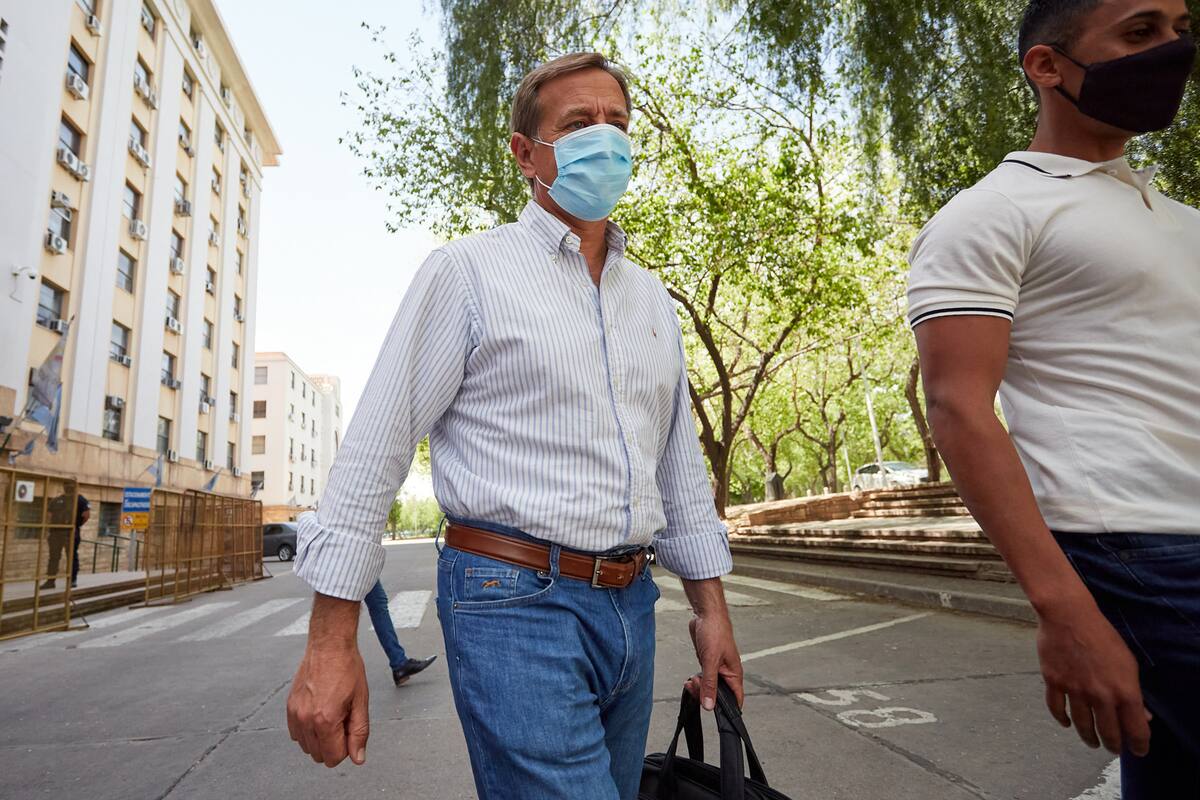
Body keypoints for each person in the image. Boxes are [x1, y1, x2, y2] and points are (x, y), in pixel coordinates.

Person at [284, 52, 742, 800]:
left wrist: (710, 609)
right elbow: (376, 448)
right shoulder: (466, 274)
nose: (606, 138)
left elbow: (678, 470)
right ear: (526, 155)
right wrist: (331, 642)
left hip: (632, 604)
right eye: (578, 123)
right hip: (514, 600)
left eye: (617, 123)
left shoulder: (652, 299)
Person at [907, 0, 1199, 795]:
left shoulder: (1178, 218)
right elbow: (959, 408)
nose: (1172, 50)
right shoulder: (993, 213)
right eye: (1140, 33)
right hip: (1139, 547)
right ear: (1046, 67)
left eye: (1179, 30)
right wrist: (1064, 610)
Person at [362, 579, 437, 686]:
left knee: (377, 602)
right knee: (349, 613)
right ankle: (398, 663)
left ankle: (399, 663)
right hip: (347, 567)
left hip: (360, 567)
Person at [41, 480, 89, 590]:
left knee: (71, 557)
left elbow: (86, 515)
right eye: (67, 485)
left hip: (70, 533)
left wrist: (75, 526)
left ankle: (72, 580)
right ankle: (51, 581)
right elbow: (49, 515)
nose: (68, 487)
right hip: (57, 533)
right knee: (54, 557)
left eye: (70, 485)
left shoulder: (80, 500)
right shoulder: (56, 500)